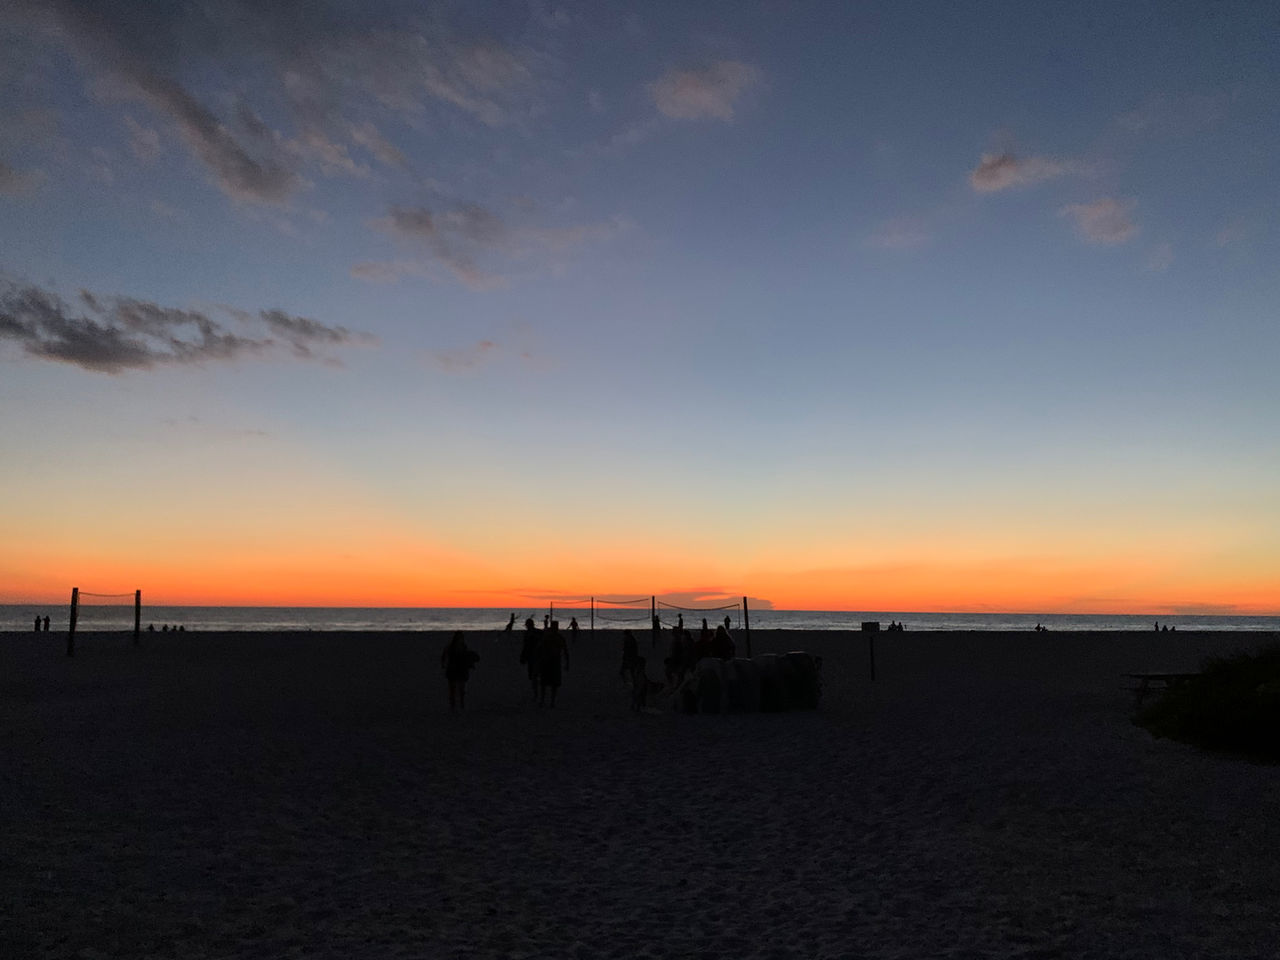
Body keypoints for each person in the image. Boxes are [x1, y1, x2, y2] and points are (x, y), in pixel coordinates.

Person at [440, 631, 479, 713]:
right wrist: (443, 663)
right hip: (454, 669)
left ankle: (461, 705)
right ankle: (454, 706)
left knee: (461, 689)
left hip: (460, 669)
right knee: (453, 689)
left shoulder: (462, 647)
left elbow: (466, 657)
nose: (460, 639)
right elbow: (444, 655)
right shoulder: (452, 647)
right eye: (459, 637)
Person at [538, 621, 569, 707]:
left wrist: (567, 663)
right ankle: (545, 701)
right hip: (548, 662)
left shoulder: (557, 638)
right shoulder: (549, 637)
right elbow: (540, 649)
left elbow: (565, 651)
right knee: (546, 683)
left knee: (552, 684)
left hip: (553, 662)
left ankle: (549, 701)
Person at [520, 618, 541, 700]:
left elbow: (526, 647)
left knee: (534, 676)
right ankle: (536, 693)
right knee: (534, 676)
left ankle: (536, 693)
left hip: (534, 657)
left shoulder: (529, 634)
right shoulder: (538, 632)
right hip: (536, 657)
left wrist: (523, 656)